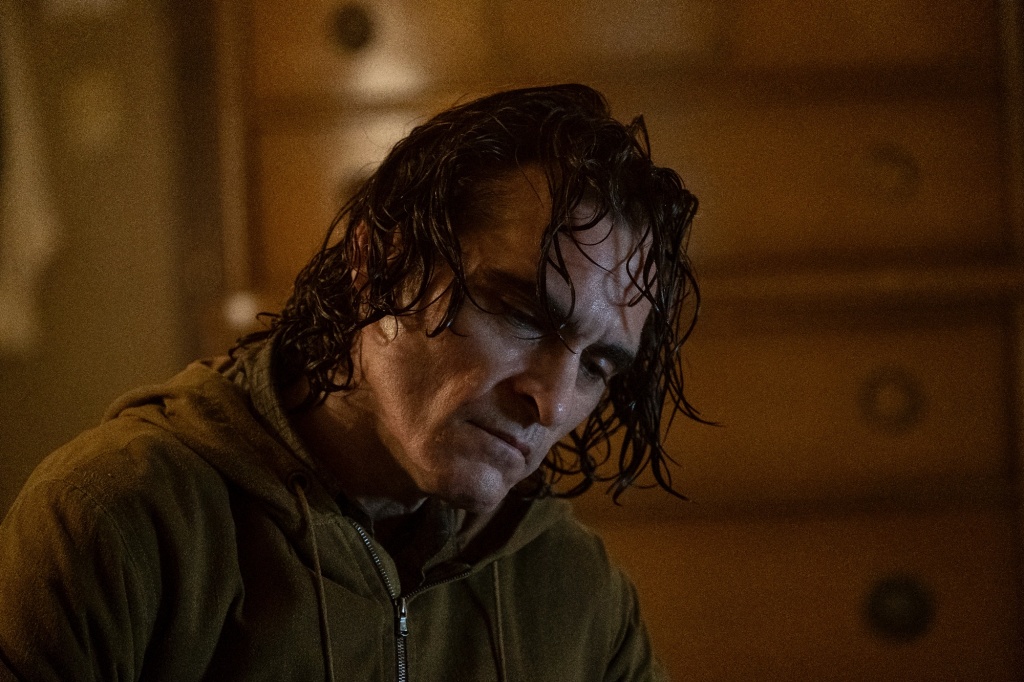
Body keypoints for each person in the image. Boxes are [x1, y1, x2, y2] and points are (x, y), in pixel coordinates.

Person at [0, 83, 701, 681]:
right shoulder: (119, 523)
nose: (552, 400)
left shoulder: (576, 594)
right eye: (520, 314)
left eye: (598, 366)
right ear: (379, 261)